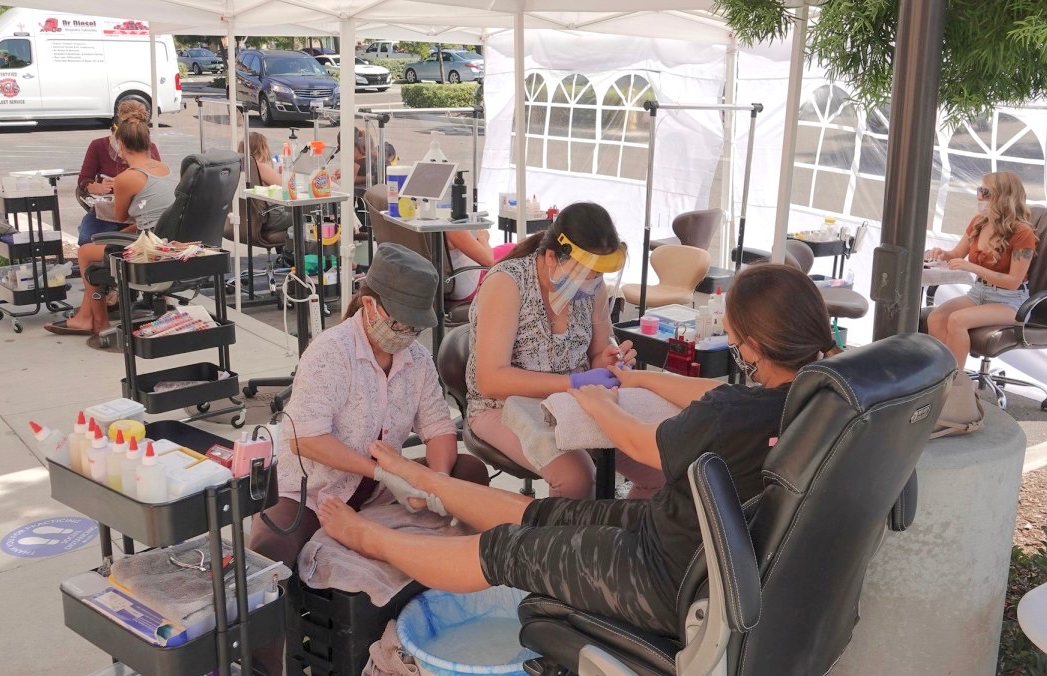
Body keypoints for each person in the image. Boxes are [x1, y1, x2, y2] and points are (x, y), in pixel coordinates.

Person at [313, 264, 840, 638]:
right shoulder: (816, 395)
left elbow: (642, 444)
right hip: (689, 540)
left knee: (505, 548)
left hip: (662, 574)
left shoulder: (731, 416)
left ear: (751, 341)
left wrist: (595, 399)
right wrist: (638, 378)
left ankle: (368, 537)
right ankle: (426, 480)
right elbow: (712, 393)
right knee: (548, 511)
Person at [248, 243, 490, 676]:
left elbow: (437, 427)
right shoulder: (331, 352)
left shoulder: (415, 359)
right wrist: (382, 470)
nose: (405, 333)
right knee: (269, 549)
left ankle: (447, 594)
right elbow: (306, 439)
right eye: (398, 322)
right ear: (369, 304)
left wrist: (432, 482)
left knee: (467, 473)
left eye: (415, 326)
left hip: (379, 489)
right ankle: (268, 666)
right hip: (315, 491)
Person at [462, 203, 663, 500]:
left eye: (597, 276)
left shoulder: (593, 287)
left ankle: (620, 540)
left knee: (658, 470)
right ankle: (555, 545)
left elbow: (600, 350)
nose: (591, 284)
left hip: (574, 403)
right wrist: (573, 383)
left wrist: (608, 361)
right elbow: (491, 381)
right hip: (502, 406)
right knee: (577, 479)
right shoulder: (507, 283)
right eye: (586, 274)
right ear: (553, 257)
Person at [44, 107, 177, 343]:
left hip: (148, 247)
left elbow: (120, 215)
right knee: (98, 241)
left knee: (86, 253)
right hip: (162, 238)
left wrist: (117, 187)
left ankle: (99, 321)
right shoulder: (164, 169)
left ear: (122, 145)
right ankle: (88, 315)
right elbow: (145, 217)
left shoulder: (127, 177)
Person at [925, 171, 1038, 365]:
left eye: (985, 192)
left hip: (1010, 301)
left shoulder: (1022, 233)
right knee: (936, 318)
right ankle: (940, 375)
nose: (979, 196)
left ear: (1003, 197)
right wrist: (941, 254)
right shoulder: (979, 222)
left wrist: (972, 268)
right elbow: (956, 255)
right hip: (979, 292)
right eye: (979, 190)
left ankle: (956, 383)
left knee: (957, 320)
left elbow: (1013, 282)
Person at [75, 101, 162, 245]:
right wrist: (99, 187)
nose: (121, 155)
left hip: (139, 212)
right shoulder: (98, 146)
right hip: (108, 212)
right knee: (88, 240)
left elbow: (156, 179)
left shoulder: (149, 149)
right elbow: (84, 180)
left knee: (97, 246)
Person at [238, 131, 292, 234]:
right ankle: (295, 247)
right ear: (262, 147)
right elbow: (286, 186)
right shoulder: (260, 167)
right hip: (270, 217)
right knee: (306, 214)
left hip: (250, 219)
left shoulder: (243, 167)